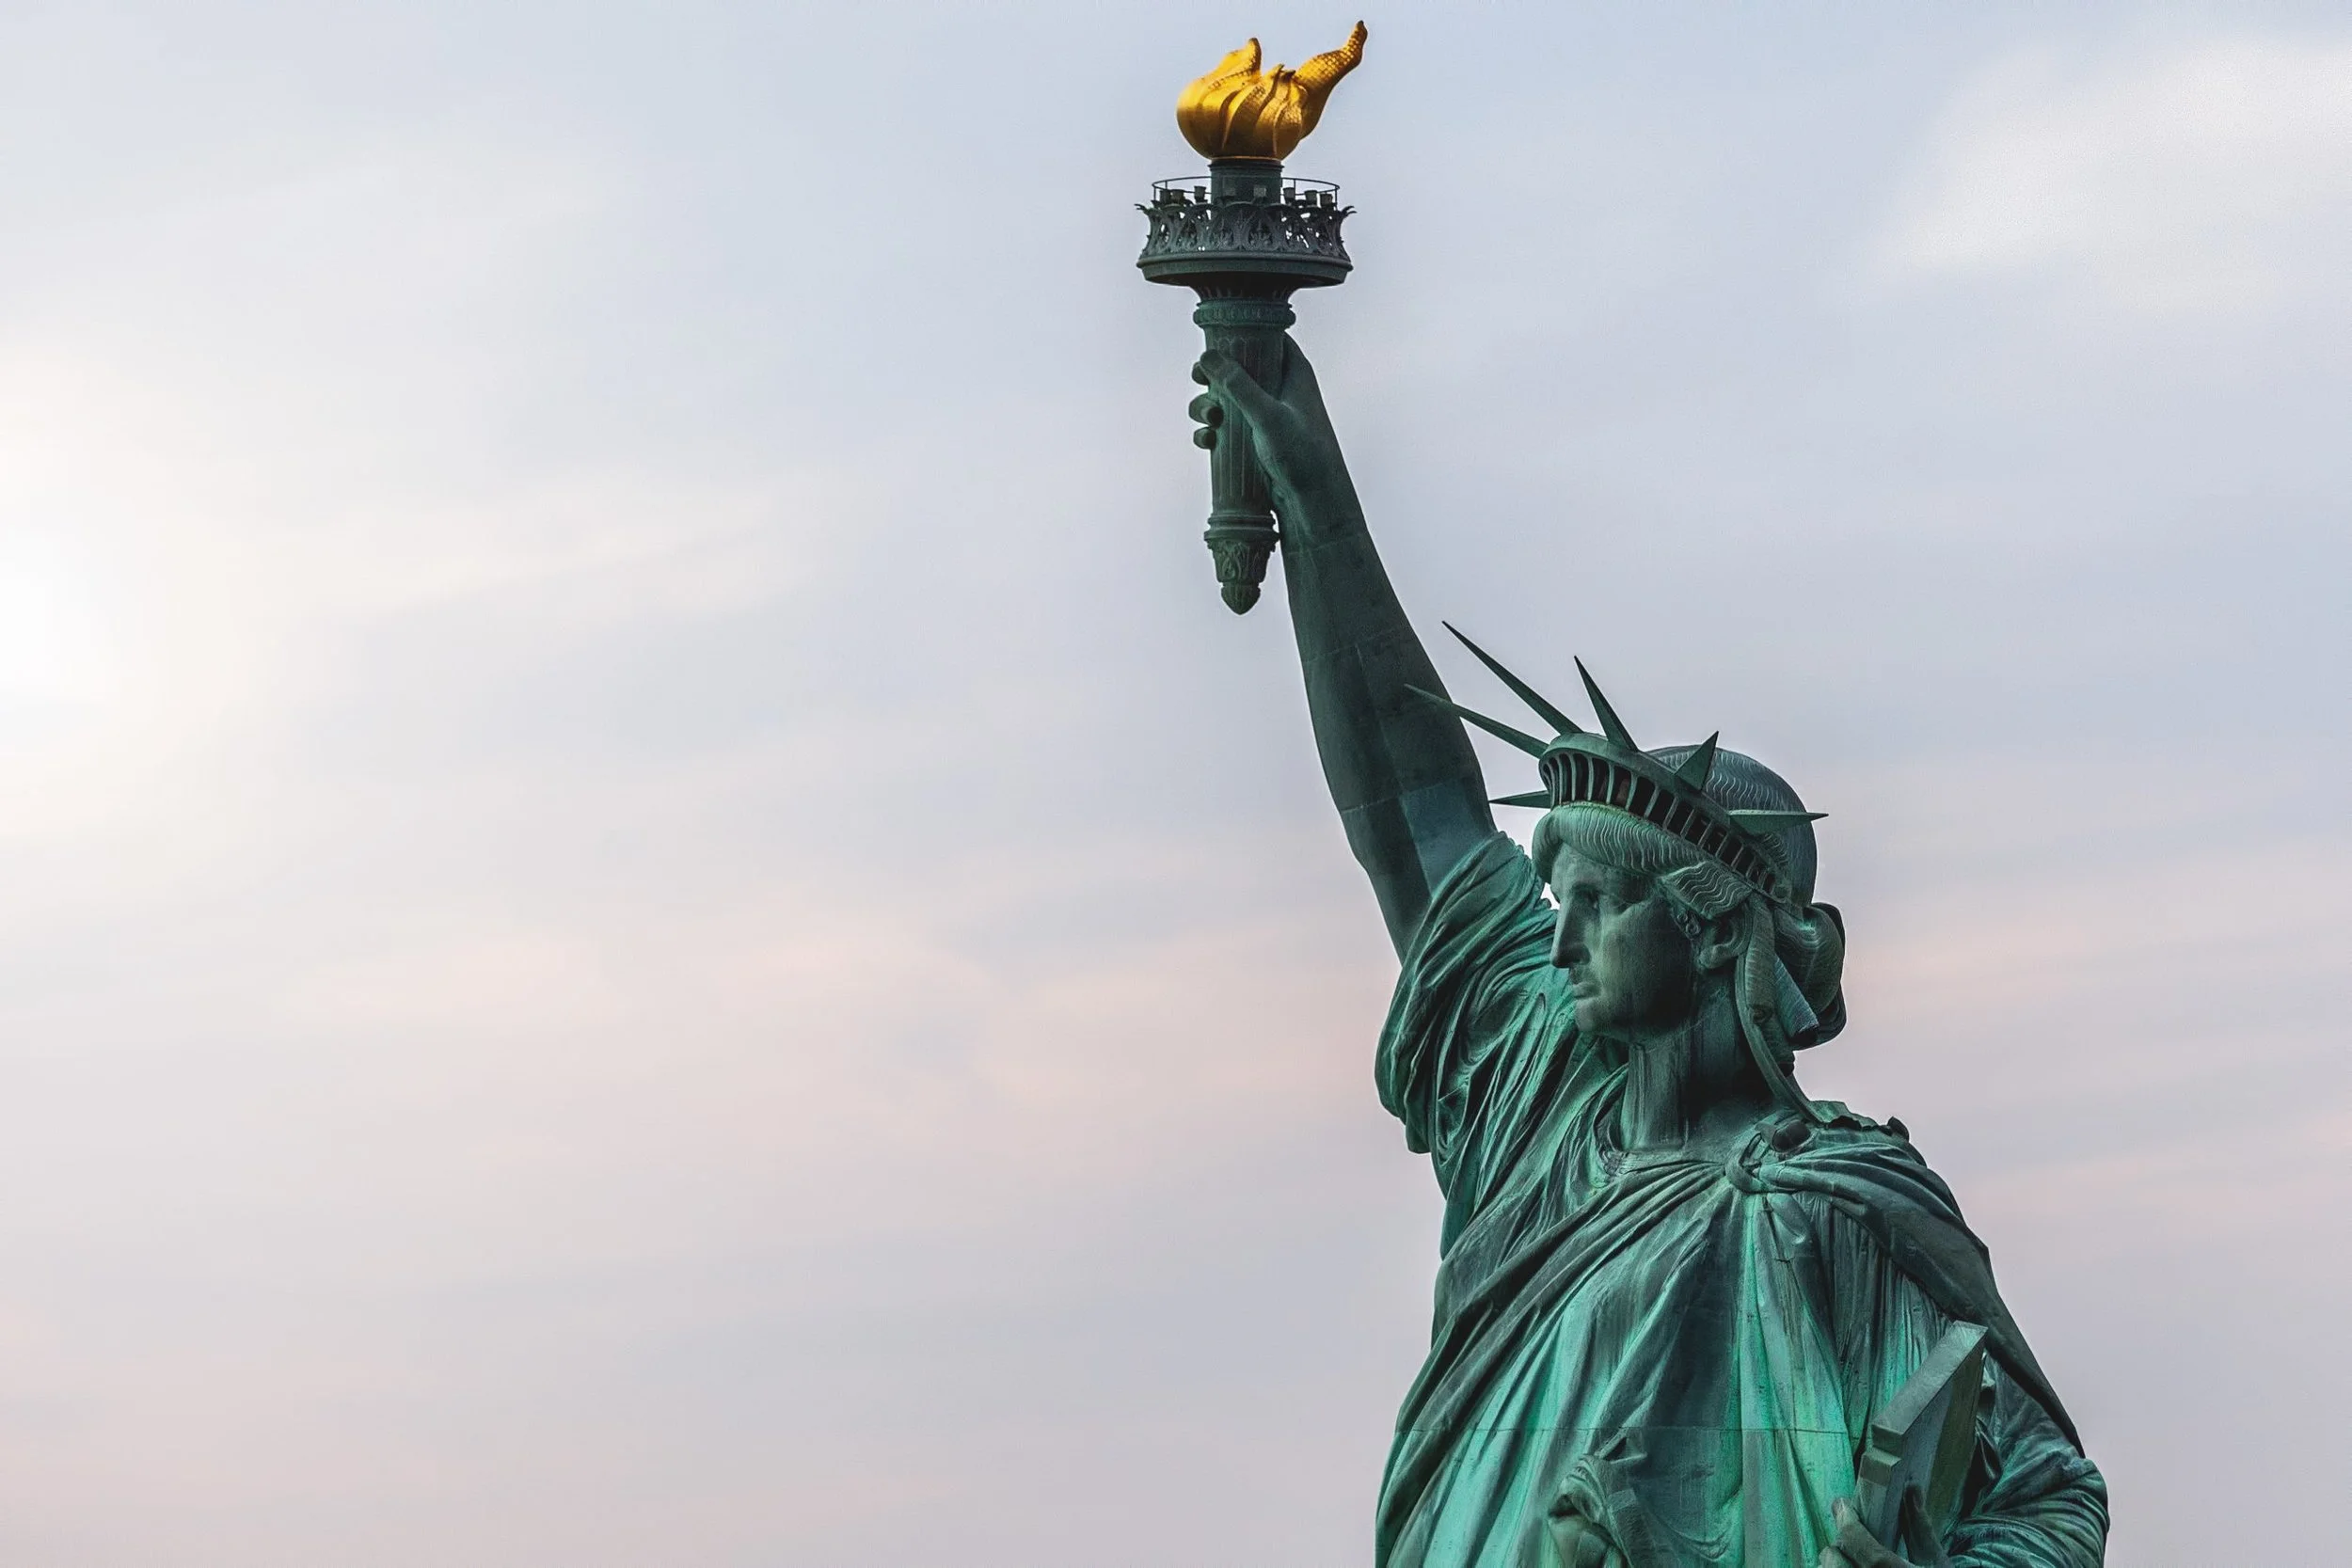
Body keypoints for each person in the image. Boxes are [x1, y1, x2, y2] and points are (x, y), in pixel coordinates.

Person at [1187, 340, 2108, 1568]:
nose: (1555, 935)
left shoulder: (1836, 1212)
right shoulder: (1539, 1112)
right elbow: (1414, 812)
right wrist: (1317, 508)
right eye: (1550, 898)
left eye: (1598, 903)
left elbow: (2049, 1502)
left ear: (1711, 925)